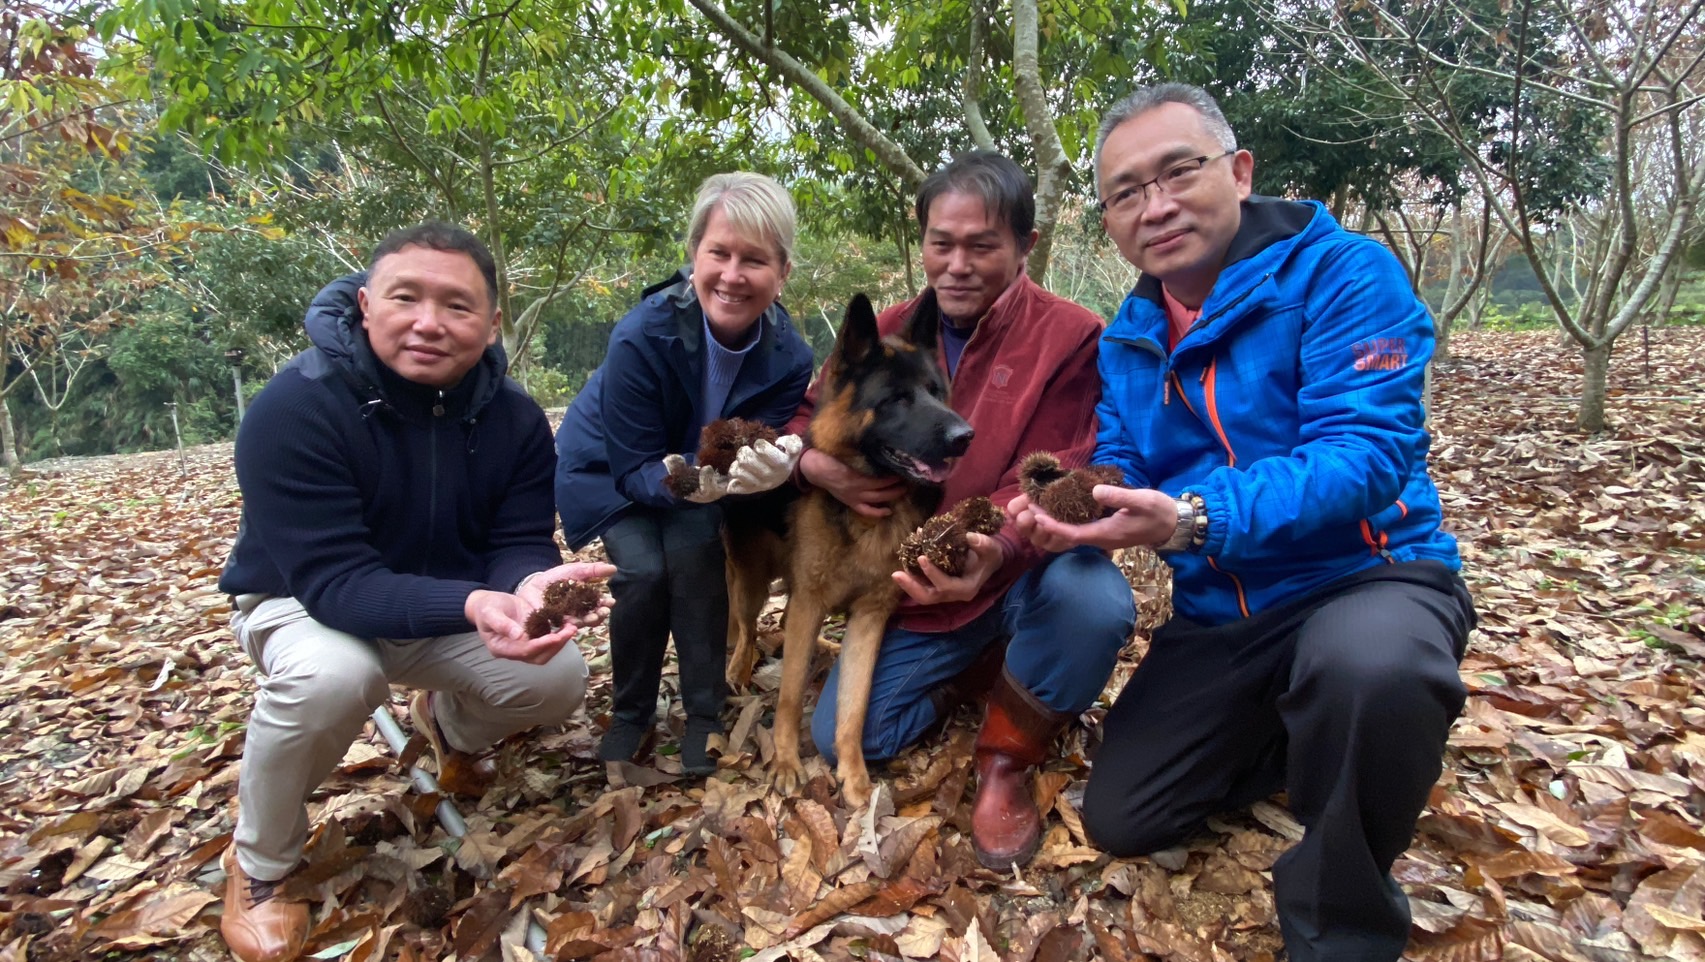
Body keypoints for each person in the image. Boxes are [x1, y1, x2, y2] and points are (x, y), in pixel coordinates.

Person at [1011, 83, 1476, 962]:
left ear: (1239, 170)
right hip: (1225, 614)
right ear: (1108, 221)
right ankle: (1314, 729)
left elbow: (1367, 457)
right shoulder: (1129, 337)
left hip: (1367, 577)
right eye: (1125, 193)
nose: (1156, 206)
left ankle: (1341, 923)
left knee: (1372, 670)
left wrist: (1190, 518)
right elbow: (1124, 460)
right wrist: (1072, 503)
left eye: (1177, 171)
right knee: (1123, 815)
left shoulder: (1343, 273)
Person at [216, 223, 611, 962]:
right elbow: (336, 583)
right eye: (406, 298)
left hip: (443, 601)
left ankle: (450, 730)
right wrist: (471, 605)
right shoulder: (294, 408)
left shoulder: (516, 419)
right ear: (366, 305)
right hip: (301, 600)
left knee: (558, 675)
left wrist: (529, 588)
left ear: (492, 324)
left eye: (457, 306)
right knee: (336, 676)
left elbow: (517, 541)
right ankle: (260, 864)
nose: (429, 323)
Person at [788, 151, 1136, 869]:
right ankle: (977, 671)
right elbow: (806, 419)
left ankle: (1008, 756)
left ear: (1023, 247)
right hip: (914, 596)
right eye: (940, 243)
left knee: (1092, 600)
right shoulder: (887, 329)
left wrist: (994, 548)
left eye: (982, 245)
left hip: (1017, 575)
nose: (956, 264)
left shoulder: (1069, 337)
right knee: (853, 741)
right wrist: (813, 462)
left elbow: (1054, 471)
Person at [555, 172, 815, 777]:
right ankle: (632, 713)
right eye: (718, 253)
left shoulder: (789, 356)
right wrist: (694, 482)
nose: (732, 274)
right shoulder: (643, 333)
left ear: (782, 274)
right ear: (694, 256)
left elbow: (761, 439)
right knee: (644, 572)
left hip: (702, 482)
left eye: (754, 260)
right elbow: (630, 463)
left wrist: (768, 468)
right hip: (615, 471)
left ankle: (704, 714)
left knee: (698, 561)